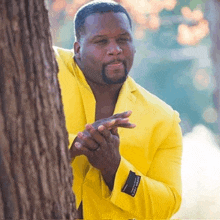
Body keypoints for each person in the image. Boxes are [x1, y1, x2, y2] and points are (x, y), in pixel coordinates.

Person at [54, 0, 182, 219]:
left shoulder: (162, 119)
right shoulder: (46, 67)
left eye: (123, 40)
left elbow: (167, 204)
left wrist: (115, 170)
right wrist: (75, 145)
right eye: (101, 41)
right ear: (78, 49)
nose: (115, 49)